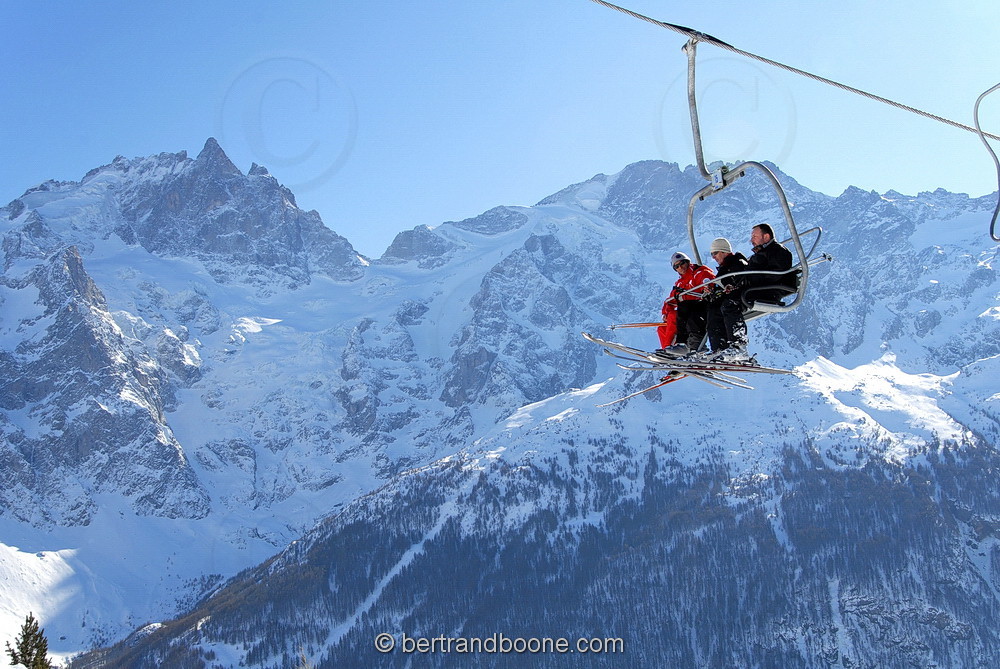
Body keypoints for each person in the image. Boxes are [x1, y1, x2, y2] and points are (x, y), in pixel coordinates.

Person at [658, 251, 715, 354]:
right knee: (662, 327)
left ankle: (676, 346)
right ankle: (669, 350)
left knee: (676, 313)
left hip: (701, 307)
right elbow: (670, 300)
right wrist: (665, 313)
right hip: (687, 310)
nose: (681, 267)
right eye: (677, 266)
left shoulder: (698, 272)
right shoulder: (680, 283)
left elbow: (706, 279)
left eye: (682, 263)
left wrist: (707, 286)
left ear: (688, 262)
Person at [704, 237, 750, 360]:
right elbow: (723, 284)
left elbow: (740, 279)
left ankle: (738, 345)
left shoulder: (738, 262)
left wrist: (730, 286)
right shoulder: (724, 268)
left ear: (724, 251)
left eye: (715, 253)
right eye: (711, 254)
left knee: (728, 306)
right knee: (713, 309)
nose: (713, 257)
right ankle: (719, 348)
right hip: (730, 297)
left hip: (741, 296)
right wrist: (713, 291)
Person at [745, 223, 795, 305]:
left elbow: (775, 274)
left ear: (766, 237)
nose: (751, 240)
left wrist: (752, 278)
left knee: (731, 303)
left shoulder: (778, 251)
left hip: (769, 290)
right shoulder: (761, 253)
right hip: (756, 288)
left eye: (754, 237)